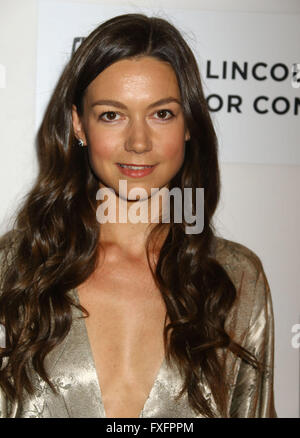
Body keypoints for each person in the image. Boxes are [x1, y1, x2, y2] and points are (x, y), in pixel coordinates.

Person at [0, 13, 277, 418]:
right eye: (112, 115)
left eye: (161, 113)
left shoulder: (234, 278)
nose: (138, 142)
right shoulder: (15, 267)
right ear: (79, 124)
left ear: (188, 125)